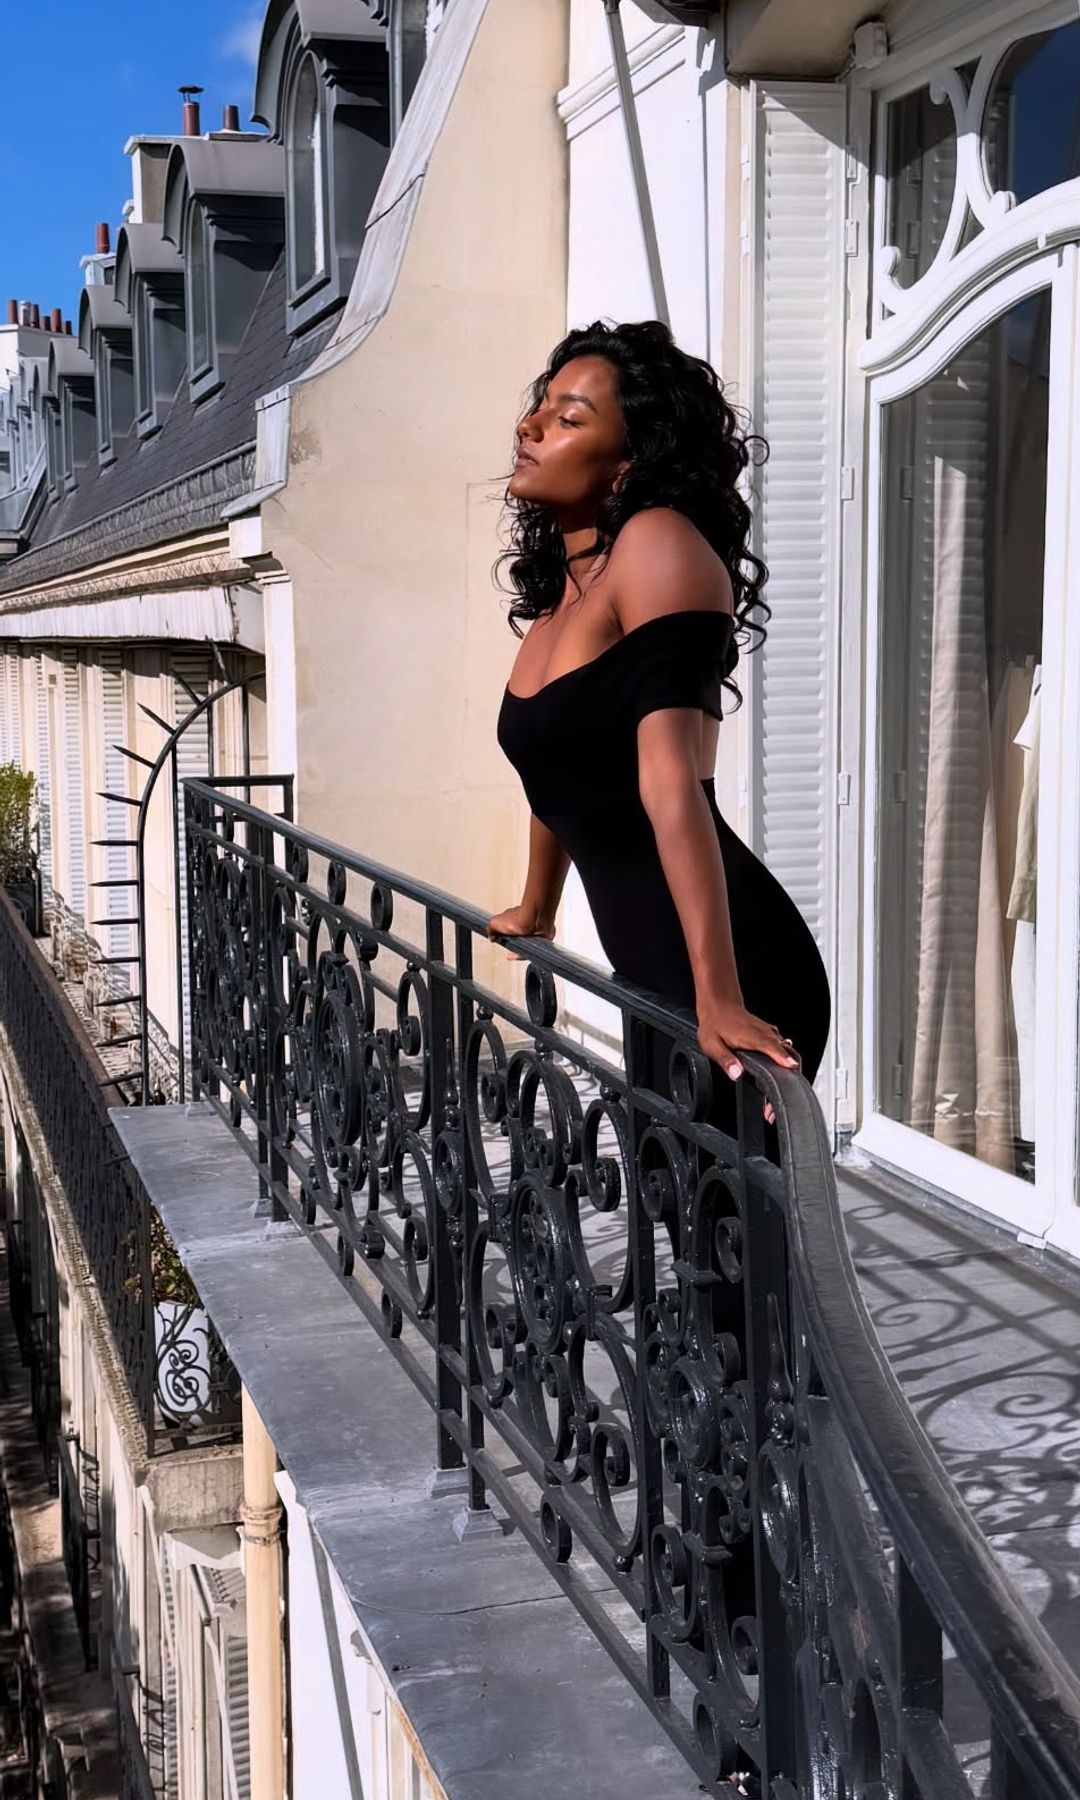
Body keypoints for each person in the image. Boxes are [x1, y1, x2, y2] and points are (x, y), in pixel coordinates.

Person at [489, 320, 830, 1108]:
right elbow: (556, 770)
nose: (530, 427)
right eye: (539, 408)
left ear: (628, 463)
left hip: (732, 972)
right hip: (651, 974)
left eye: (568, 418)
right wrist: (537, 906)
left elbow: (670, 780)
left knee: (720, 1189)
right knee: (667, 1180)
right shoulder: (563, 597)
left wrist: (720, 997)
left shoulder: (656, 545)